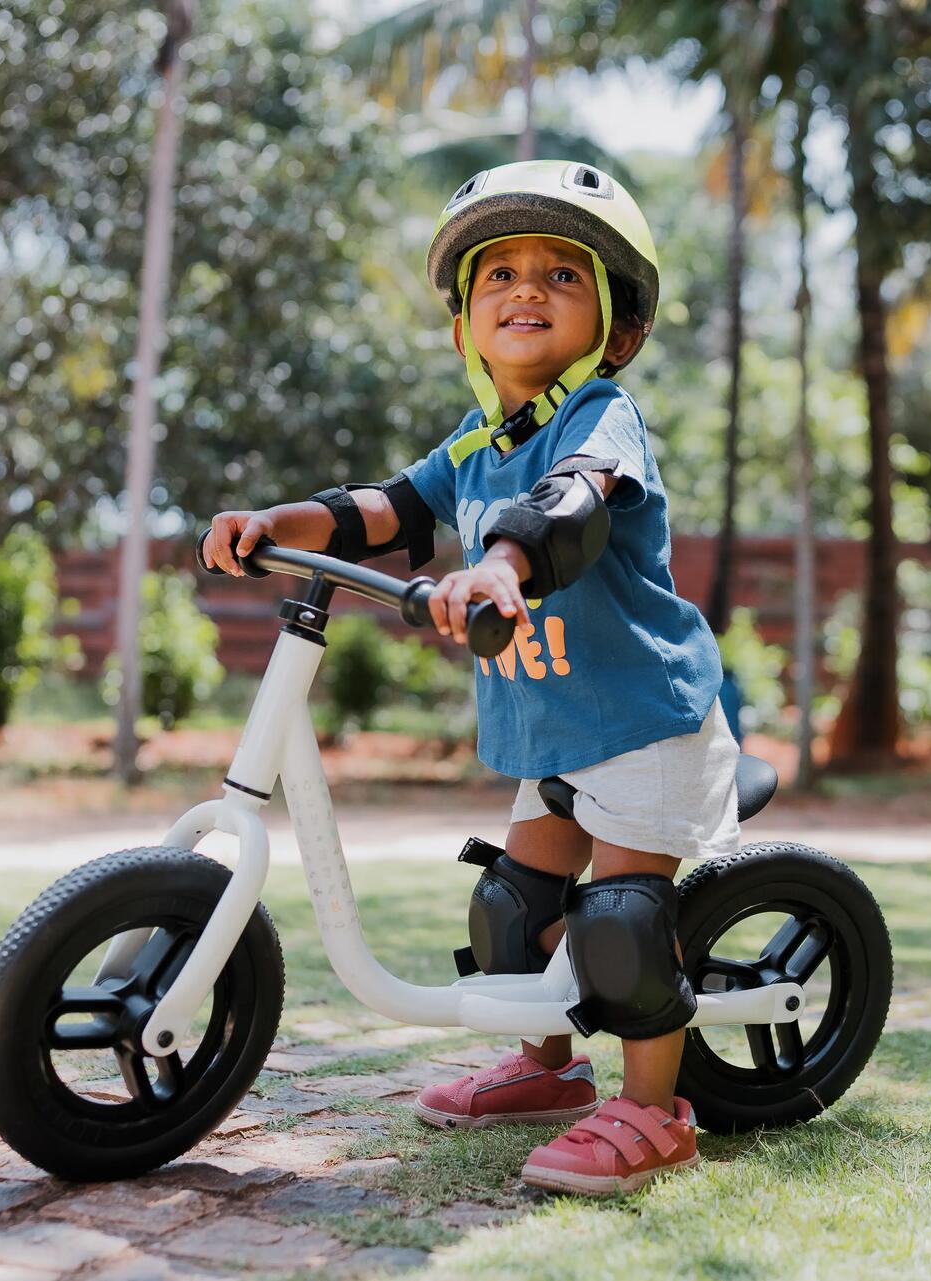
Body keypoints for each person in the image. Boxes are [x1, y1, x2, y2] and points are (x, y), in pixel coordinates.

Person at [201, 160, 738, 1196]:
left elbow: (570, 510)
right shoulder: (477, 443)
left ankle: (654, 1112)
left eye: (560, 276)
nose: (525, 290)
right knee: (508, 908)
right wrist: (279, 524)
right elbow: (385, 508)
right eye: (499, 276)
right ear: (464, 328)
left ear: (615, 331)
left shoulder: (602, 421)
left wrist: (497, 565)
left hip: (643, 720)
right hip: (556, 731)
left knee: (618, 924)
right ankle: (550, 1069)